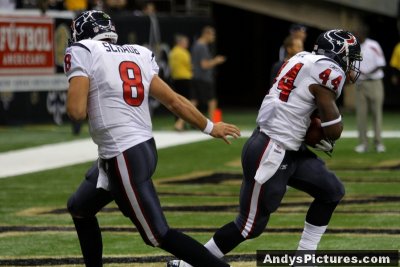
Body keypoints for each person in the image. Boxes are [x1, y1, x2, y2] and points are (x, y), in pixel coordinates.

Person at [167, 29, 363, 267]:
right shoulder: (328, 71)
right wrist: (319, 129)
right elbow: (334, 129)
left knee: (331, 191)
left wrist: (308, 127)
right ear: (339, 53)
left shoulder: (301, 58)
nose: (353, 63)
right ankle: (189, 264)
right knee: (249, 226)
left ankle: (304, 259)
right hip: (271, 149)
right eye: (351, 55)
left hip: (288, 146)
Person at [64, 10, 240, 267]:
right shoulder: (137, 53)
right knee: (79, 207)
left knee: (158, 235)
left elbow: (76, 112)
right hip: (141, 149)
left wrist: (80, 86)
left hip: (123, 155)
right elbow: (173, 100)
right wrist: (210, 126)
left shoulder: (84, 51)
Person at [353, 25, 386, 153]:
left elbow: (381, 64)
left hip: (374, 82)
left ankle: (378, 143)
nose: (356, 36)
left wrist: (366, 72)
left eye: (358, 34)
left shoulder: (374, 45)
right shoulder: (353, 47)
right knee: (361, 115)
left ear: (364, 34)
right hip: (360, 84)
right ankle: (363, 143)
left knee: (376, 114)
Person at [191, 25, 226, 122]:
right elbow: (204, 65)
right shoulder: (202, 46)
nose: (213, 37)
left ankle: (179, 124)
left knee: (193, 101)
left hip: (196, 76)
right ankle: (212, 123)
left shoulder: (196, 45)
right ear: (206, 34)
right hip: (204, 78)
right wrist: (216, 60)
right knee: (212, 100)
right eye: (212, 35)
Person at [169, 34, 193, 131]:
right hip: (185, 78)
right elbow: (189, 65)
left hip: (175, 79)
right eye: (185, 42)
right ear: (180, 42)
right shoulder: (184, 53)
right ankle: (183, 123)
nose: (187, 44)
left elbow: (171, 67)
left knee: (177, 101)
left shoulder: (173, 52)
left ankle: (178, 121)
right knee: (186, 102)